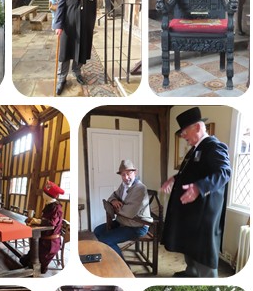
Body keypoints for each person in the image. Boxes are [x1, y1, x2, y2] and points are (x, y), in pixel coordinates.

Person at [161, 107, 231, 277]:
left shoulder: (213, 146)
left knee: (203, 253)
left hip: (203, 215)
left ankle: (206, 280)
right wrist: (175, 178)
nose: (183, 136)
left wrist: (199, 187)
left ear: (198, 127)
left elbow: (224, 172)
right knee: (189, 246)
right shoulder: (195, 149)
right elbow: (192, 172)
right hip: (192, 213)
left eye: (184, 131)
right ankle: (191, 272)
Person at [54, 0, 97, 95]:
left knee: (81, 52)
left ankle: (77, 72)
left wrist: (91, 26)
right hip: (69, 29)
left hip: (84, 29)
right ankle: (62, 78)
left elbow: (93, 11)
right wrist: (58, 25)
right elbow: (60, 9)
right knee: (65, 54)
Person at [94, 159, 152, 258]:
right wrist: (113, 201)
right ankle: (111, 255)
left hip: (137, 226)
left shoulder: (140, 189)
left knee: (105, 240)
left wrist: (114, 209)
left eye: (129, 174)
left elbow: (129, 212)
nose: (126, 178)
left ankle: (122, 267)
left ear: (134, 172)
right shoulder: (123, 185)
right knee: (97, 231)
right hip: (123, 222)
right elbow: (113, 196)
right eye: (123, 175)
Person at [19, 180, 64, 274]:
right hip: (43, 239)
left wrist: (37, 221)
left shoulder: (56, 207)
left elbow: (52, 223)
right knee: (25, 260)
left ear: (48, 195)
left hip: (50, 243)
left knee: (38, 266)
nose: (43, 194)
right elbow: (45, 220)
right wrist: (36, 220)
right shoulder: (49, 205)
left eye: (44, 193)